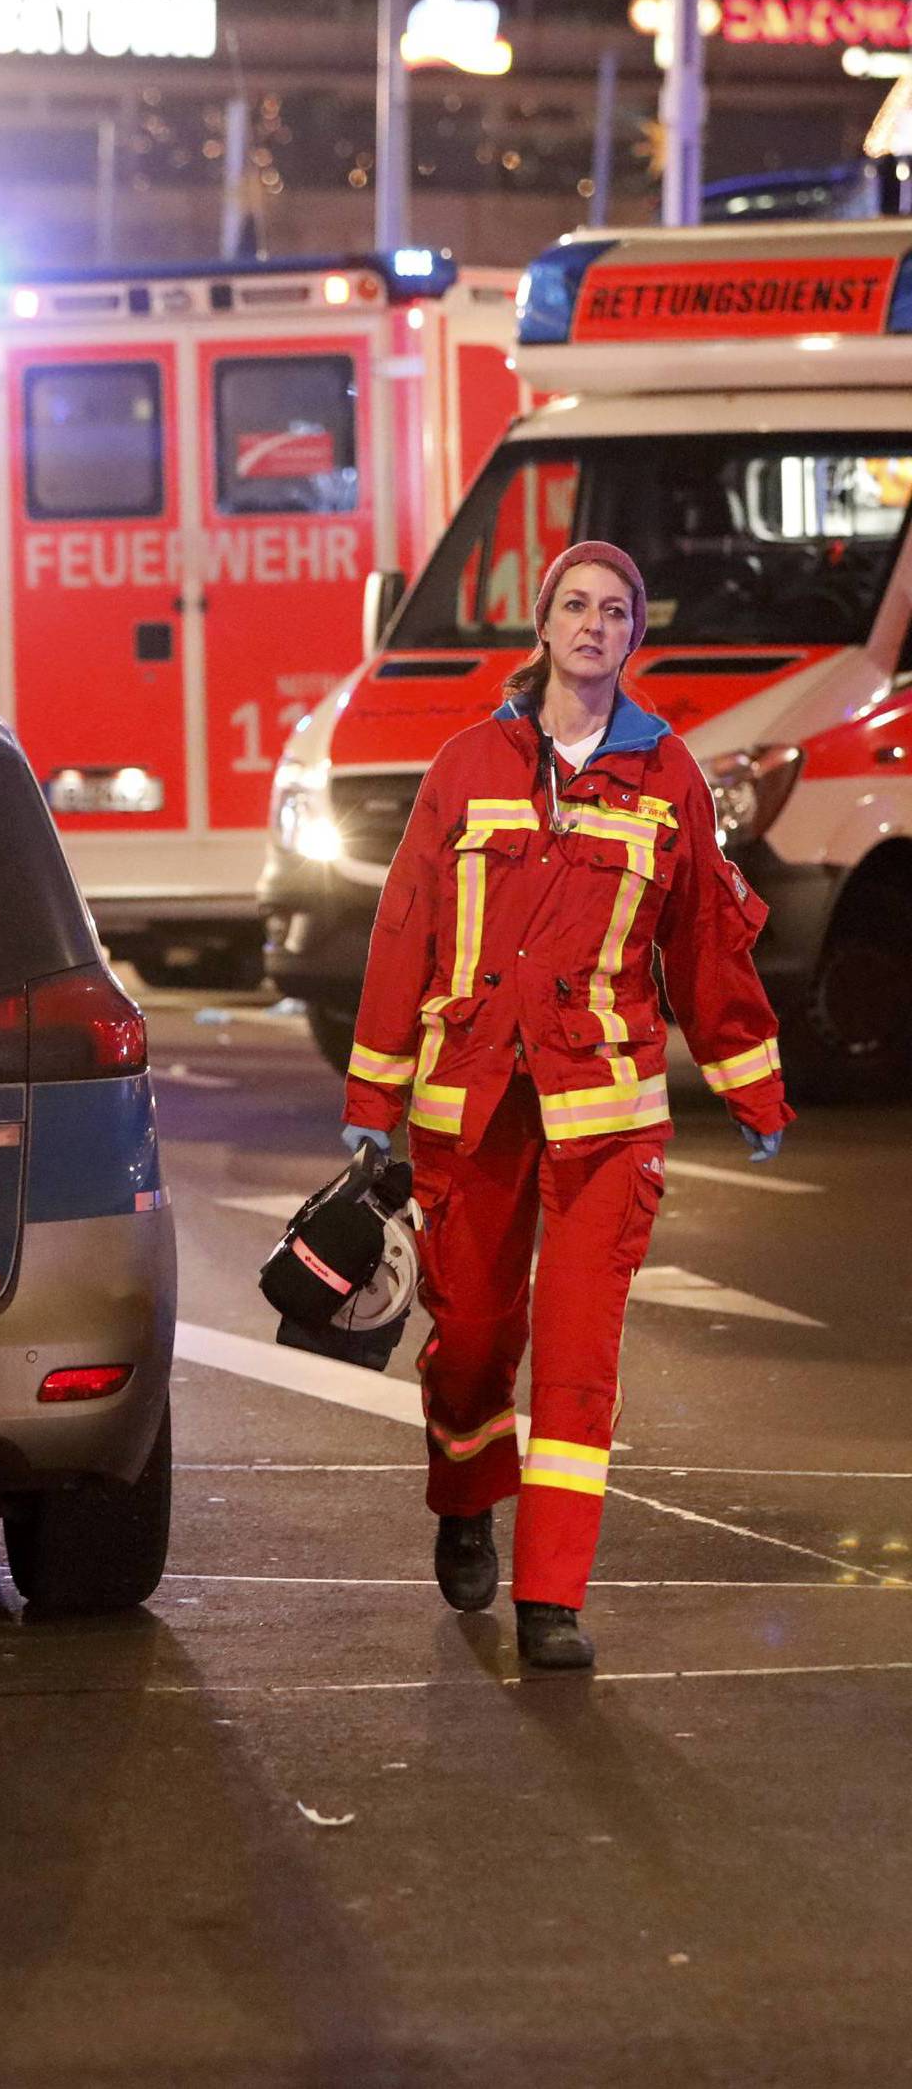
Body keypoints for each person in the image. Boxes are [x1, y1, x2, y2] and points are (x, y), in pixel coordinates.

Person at [340, 540, 791, 1672]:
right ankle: (465, 1496)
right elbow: (406, 928)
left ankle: (553, 1595)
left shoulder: (667, 774)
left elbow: (705, 944)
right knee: (473, 1339)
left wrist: (752, 1082)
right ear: (541, 628)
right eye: (575, 606)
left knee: (580, 1356)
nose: (594, 625)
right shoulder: (465, 763)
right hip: (475, 1100)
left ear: (636, 637)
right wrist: (372, 1094)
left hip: (606, 1113)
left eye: (616, 611)